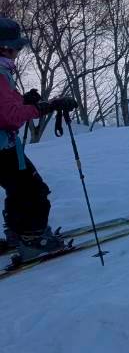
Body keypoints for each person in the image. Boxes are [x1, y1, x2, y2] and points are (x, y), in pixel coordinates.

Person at [0, 18, 78, 260]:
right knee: (33, 191)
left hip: (5, 146)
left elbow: (6, 106)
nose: (18, 52)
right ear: (4, 48)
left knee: (19, 189)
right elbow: (10, 116)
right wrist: (44, 107)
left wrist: (26, 101)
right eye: (16, 47)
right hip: (2, 148)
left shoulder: (3, 71)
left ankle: (18, 233)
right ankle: (33, 240)